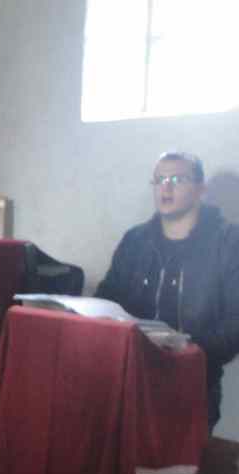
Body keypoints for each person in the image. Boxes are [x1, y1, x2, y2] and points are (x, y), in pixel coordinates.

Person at [97, 151, 239, 431]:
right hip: (131, 379)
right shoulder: (135, 240)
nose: (166, 187)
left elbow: (235, 322)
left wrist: (188, 351)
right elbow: (106, 300)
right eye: (159, 180)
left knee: (180, 459)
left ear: (200, 189)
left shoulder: (228, 243)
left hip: (193, 384)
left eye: (177, 179)